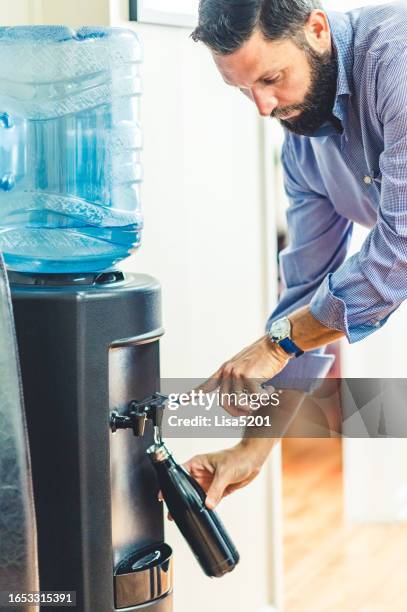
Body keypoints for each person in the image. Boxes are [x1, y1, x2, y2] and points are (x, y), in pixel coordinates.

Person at [181, 0, 407, 510]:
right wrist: (252, 449)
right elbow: (305, 290)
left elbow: (399, 251)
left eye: (271, 78)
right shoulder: (305, 145)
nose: (263, 107)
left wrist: (277, 344)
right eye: (243, 90)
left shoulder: (397, 61)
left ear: (318, 29)